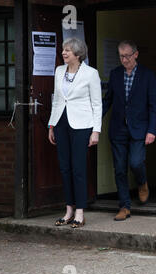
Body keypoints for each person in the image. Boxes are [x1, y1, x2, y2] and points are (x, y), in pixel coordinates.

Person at [102, 40, 156, 221]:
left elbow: (154, 106)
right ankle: (124, 206)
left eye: (127, 56)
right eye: (121, 56)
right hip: (118, 129)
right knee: (119, 169)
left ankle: (142, 182)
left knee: (135, 162)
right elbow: (108, 100)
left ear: (136, 54)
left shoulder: (147, 75)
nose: (124, 59)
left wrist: (152, 130)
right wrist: (94, 122)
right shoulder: (115, 74)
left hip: (139, 129)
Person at [48, 37, 102, 228]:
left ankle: (80, 211)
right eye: (63, 50)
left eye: (68, 50)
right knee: (64, 167)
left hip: (82, 125)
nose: (63, 53)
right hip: (61, 123)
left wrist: (96, 131)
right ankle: (69, 210)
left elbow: (97, 103)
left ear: (78, 54)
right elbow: (57, 100)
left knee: (78, 168)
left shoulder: (90, 73)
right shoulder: (59, 71)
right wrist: (51, 125)